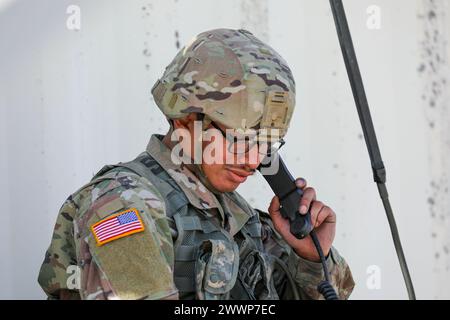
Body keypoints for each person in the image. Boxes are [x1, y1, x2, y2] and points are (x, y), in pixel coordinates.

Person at [38, 28, 354, 300]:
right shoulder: (122, 205)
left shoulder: (236, 216)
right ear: (188, 119)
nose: (255, 161)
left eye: (267, 145)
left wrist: (312, 258)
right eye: (242, 140)